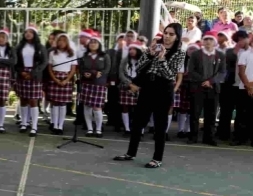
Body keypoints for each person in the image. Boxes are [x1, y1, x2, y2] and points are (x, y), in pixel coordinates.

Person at [113, 23, 186, 169]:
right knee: (138, 123)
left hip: (164, 90)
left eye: (171, 34)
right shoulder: (153, 48)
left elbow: (169, 74)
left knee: (160, 126)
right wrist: (149, 55)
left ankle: (157, 158)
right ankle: (130, 153)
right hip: (147, 89)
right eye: (166, 33)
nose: (167, 36)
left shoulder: (180, 53)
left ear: (177, 37)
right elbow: (139, 67)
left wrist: (161, 58)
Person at [186, 33, 226, 146]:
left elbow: (222, 72)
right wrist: (203, 80)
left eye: (210, 39)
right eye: (206, 39)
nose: (208, 41)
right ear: (203, 41)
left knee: (211, 114)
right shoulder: (195, 54)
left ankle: (209, 138)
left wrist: (211, 81)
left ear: (214, 42)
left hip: (213, 88)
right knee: (195, 113)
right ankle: (193, 137)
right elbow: (191, 71)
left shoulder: (220, 55)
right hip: (197, 87)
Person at [14, 25, 47, 136]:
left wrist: (33, 73)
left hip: (35, 75)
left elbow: (44, 62)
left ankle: (34, 126)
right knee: (23, 100)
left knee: (33, 101)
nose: (28, 34)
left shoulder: (40, 47)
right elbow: (15, 62)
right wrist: (21, 72)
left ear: (34, 34)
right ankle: (24, 123)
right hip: (22, 75)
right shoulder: (19, 47)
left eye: (30, 32)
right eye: (26, 32)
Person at [217, 31, 250, 141]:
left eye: (242, 39)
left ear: (247, 38)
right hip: (230, 84)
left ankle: (239, 135)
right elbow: (225, 64)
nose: (240, 42)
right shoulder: (230, 51)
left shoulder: (252, 52)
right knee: (226, 111)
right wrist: (235, 52)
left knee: (242, 112)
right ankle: (223, 134)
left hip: (244, 85)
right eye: (238, 40)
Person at [78, 35, 111, 137]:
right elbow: (81, 68)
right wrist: (84, 73)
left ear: (99, 44)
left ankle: (98, 129)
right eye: (91, 42)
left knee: (97, 107)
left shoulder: (105, 56)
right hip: (87, 83)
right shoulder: (84, 56)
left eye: (95, 42)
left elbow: (107, 68)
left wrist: (100, 73)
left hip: (99, 83)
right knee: (87, 106)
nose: (93, 44)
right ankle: (89, 129)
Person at [46, 33, 77, 134]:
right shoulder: (52, 53)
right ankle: (54, 124)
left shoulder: (72, 53)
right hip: (55, 78)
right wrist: (55, 79)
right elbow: (50, 68)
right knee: (55, 103)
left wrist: (66, 80)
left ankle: (60, 125)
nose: (61, 42)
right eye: (59, 40)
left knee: (62, 103)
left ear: (67, 42)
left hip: (66, 78)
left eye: (64, 40)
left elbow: (73, 69)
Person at [118, 42, 144, 136]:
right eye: (130, 49)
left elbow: (145, 74)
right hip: (126, 85)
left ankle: (140, 130)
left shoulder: (144, 60)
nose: (131, 51)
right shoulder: (125, 60)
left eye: (134, 49)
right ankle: (127, 129)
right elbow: (121, 73)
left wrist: (137, 85)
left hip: (139, 86)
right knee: (125, 107)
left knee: (140, 109)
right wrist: (130, 84)